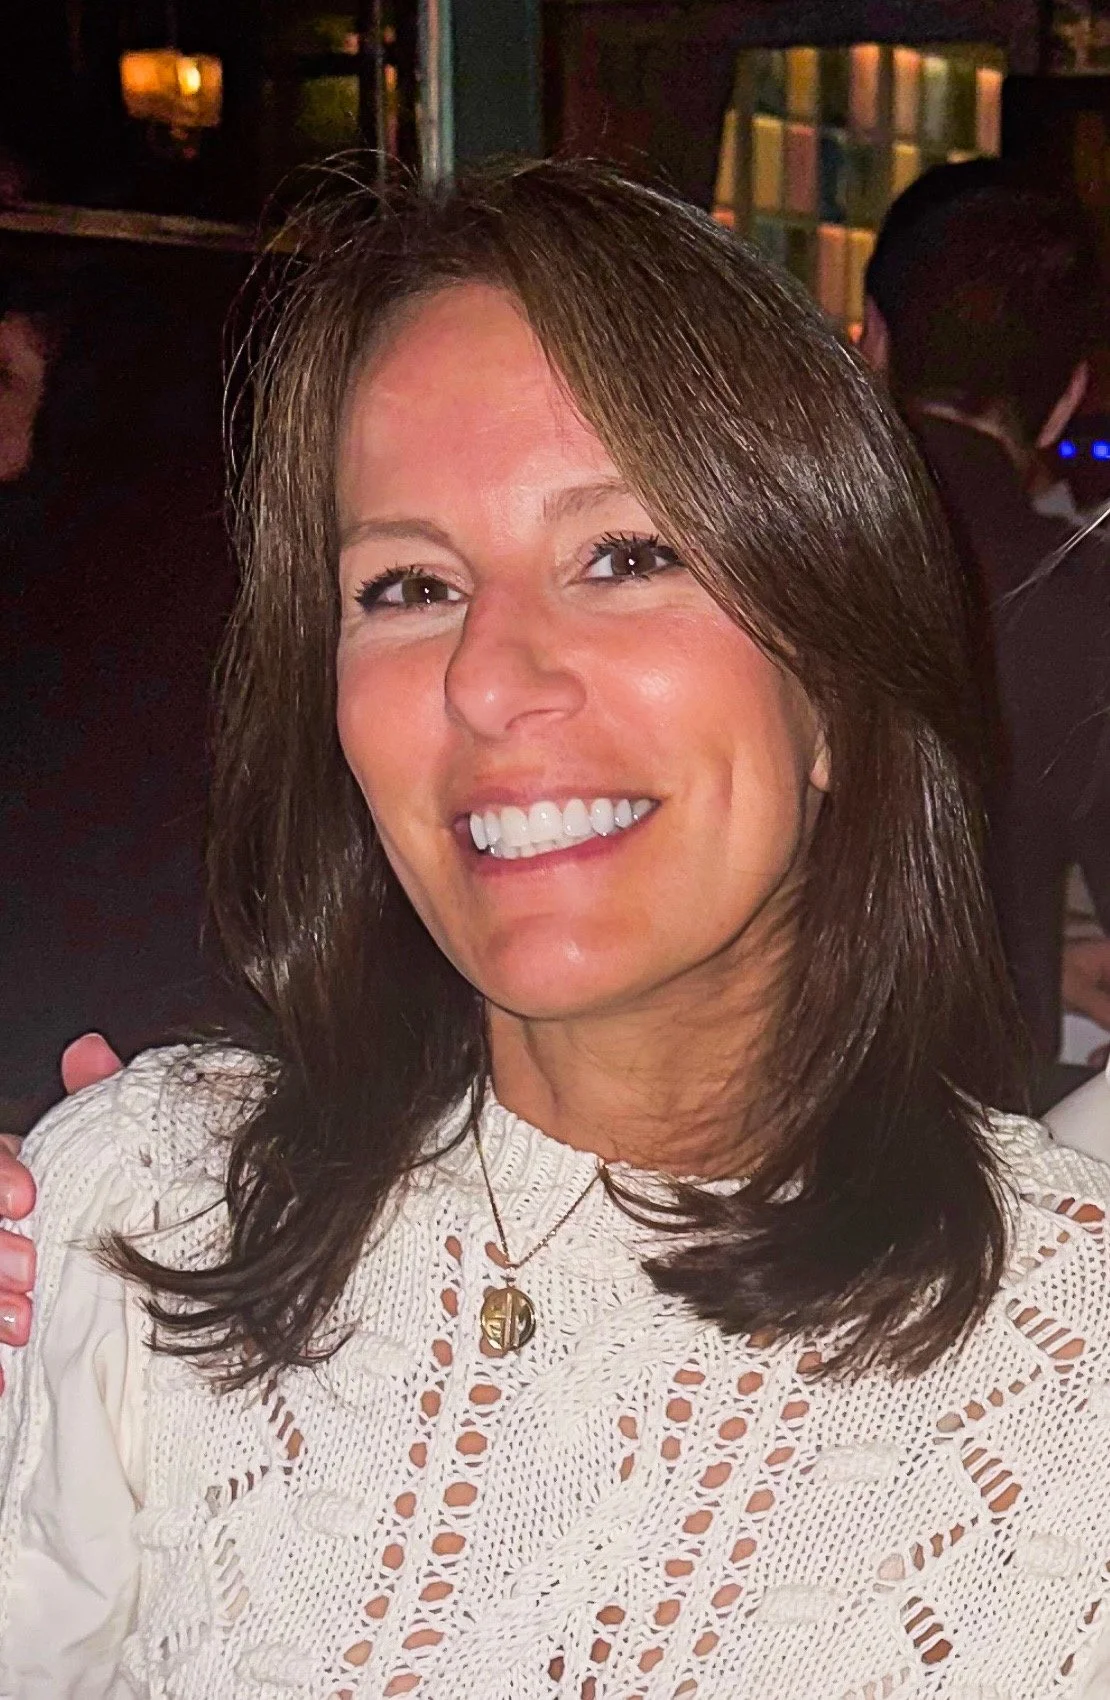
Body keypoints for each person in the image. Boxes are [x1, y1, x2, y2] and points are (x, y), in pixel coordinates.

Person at [1, 159, 1109, 1697]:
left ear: (839, 685)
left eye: (624, 556)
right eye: (407, 583)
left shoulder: (1066, 1388)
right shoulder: (141, 1212)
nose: (488, 678)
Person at [859, 168, 1110, 1081]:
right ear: (1066, 395)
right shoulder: (1082, 599)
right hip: (989, 1137)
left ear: (873, 342)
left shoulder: (756, 558)